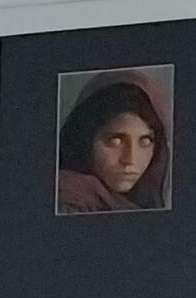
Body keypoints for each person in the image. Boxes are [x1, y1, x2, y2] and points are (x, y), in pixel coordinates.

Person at [55, 73, 170, 213]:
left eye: (145, 141)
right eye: (115, 141)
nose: (130, 159)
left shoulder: (136, 204)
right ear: (85, 140)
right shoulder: (71, 201)